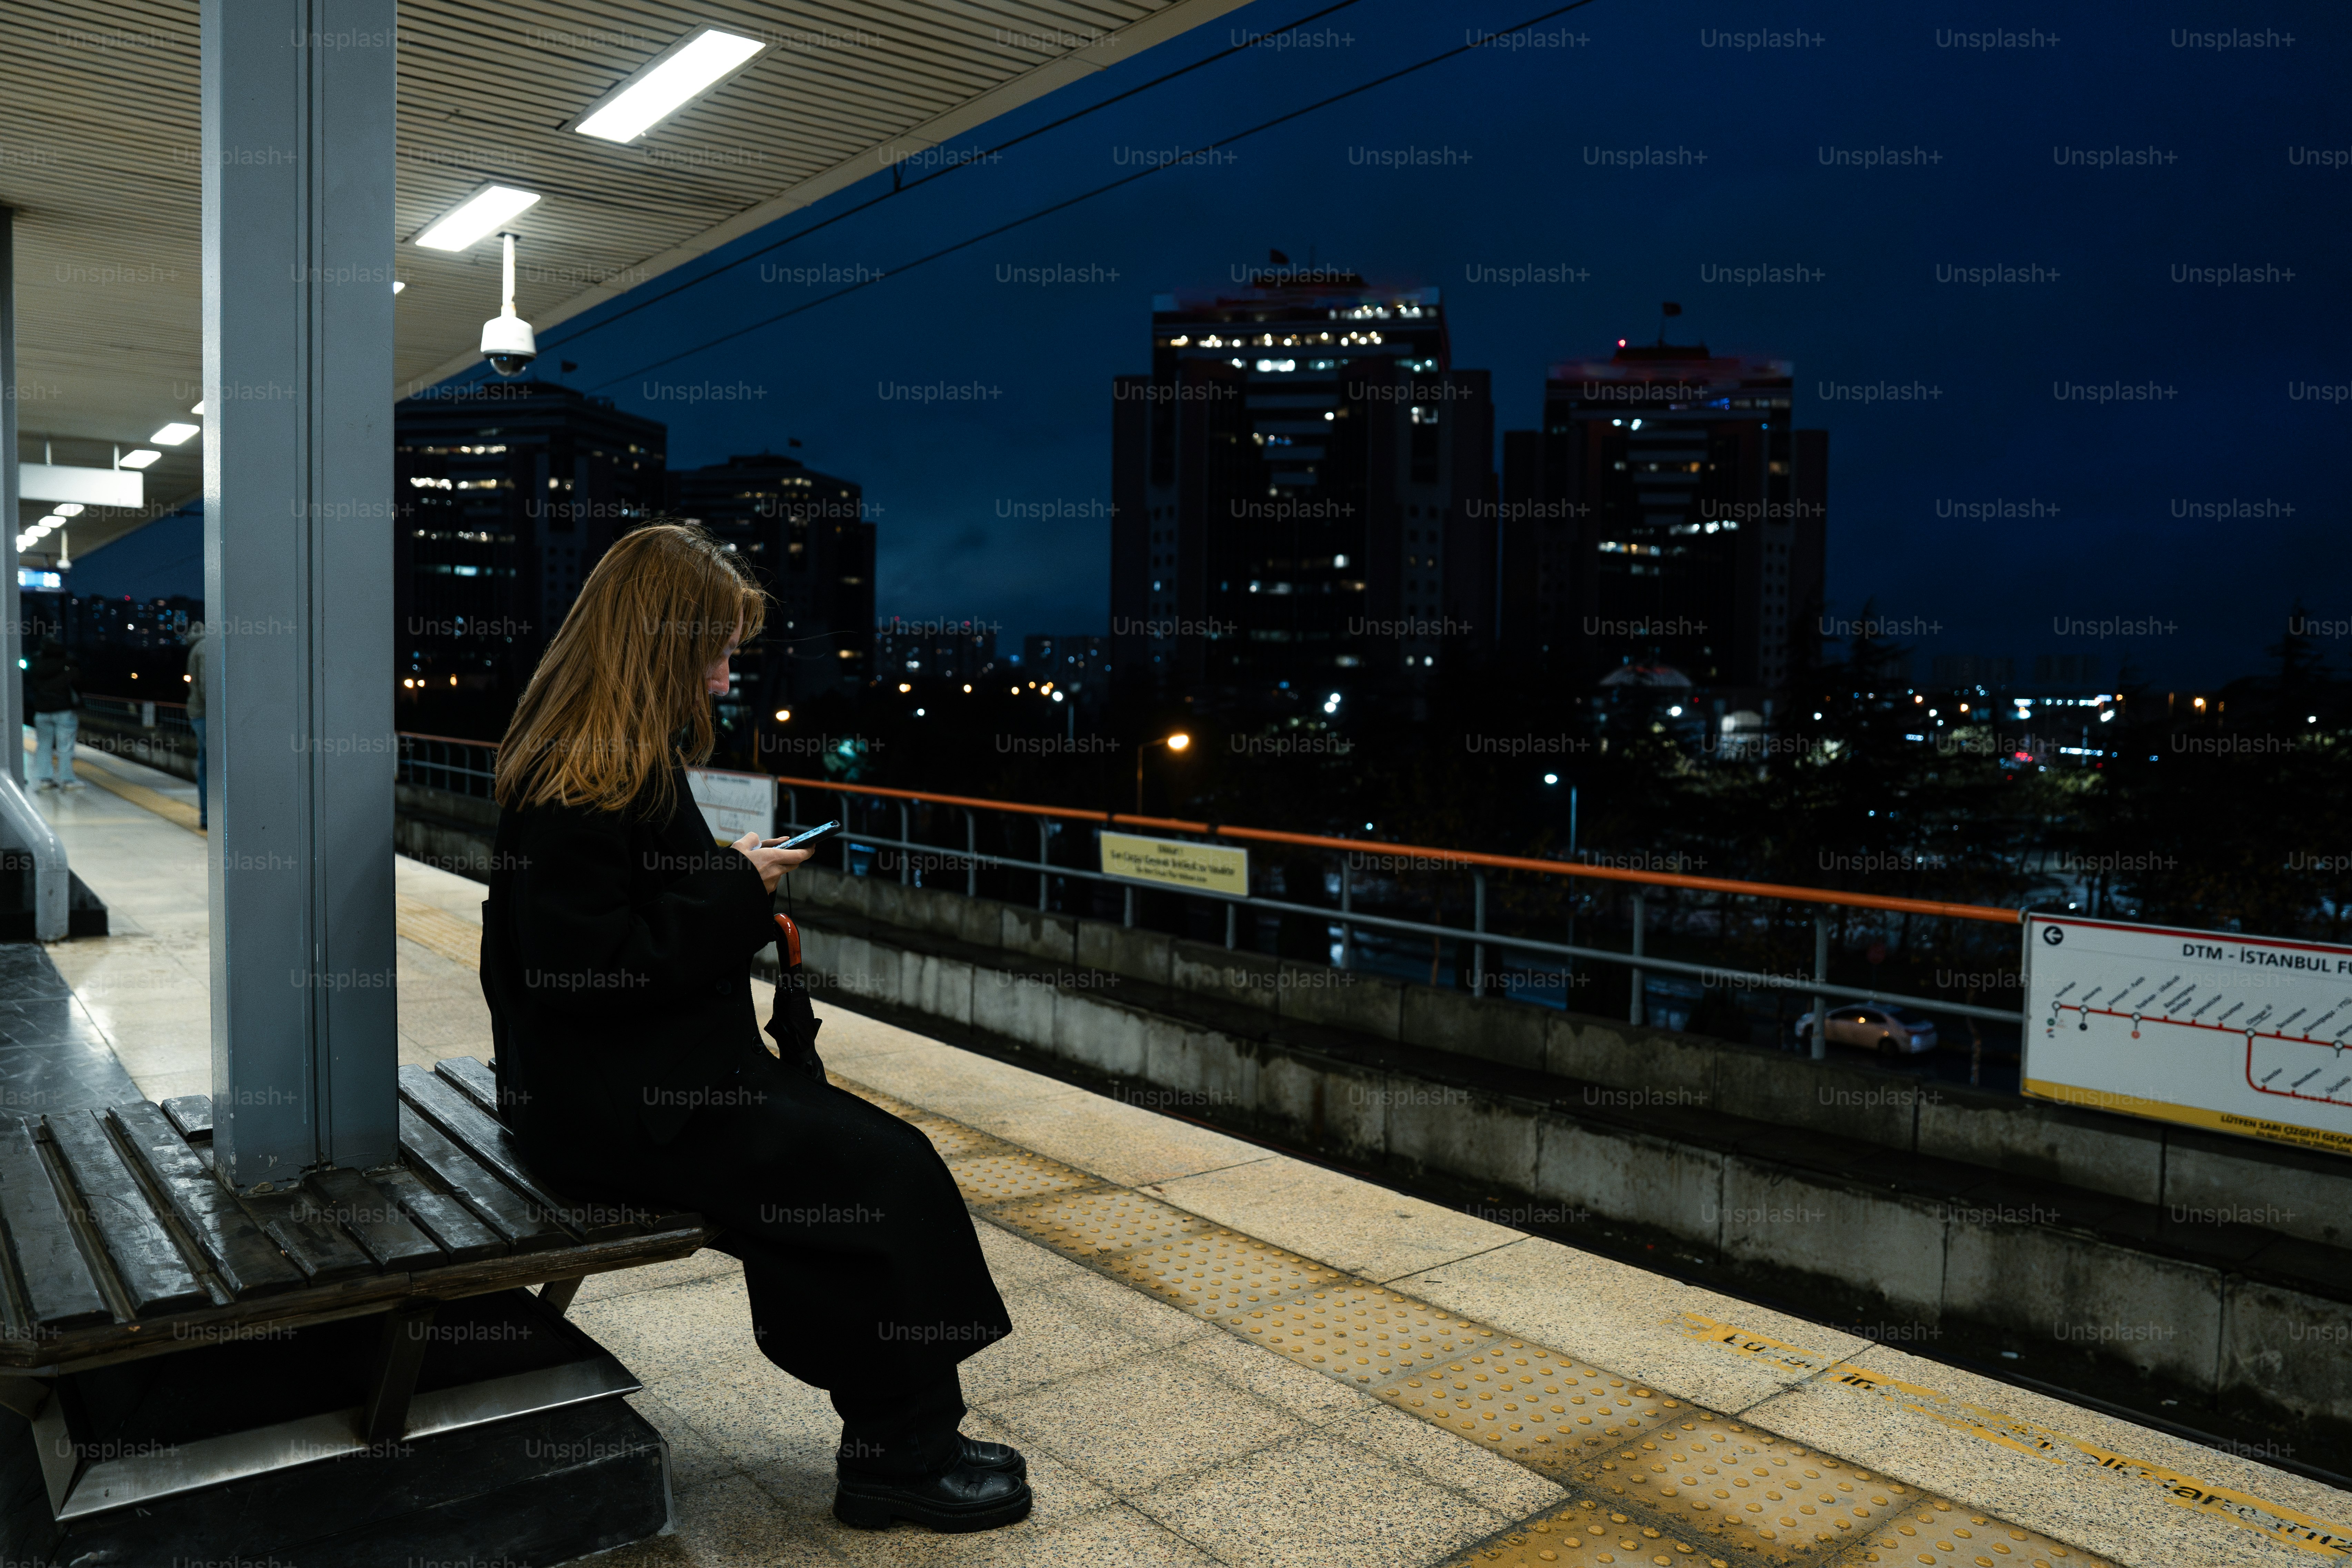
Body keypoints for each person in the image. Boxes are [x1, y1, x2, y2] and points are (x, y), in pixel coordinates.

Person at [478, 522, 1028, 1534]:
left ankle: (903, 1442)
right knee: (884, 1174)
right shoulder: (585, 775)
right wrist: (735, 887)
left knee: (848, 1185)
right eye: (717, 651)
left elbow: (609, 925)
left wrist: (717, 872)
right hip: (624, 1106)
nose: (728, 675)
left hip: (627, 1083)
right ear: (660, 649)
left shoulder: (590, 759)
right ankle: (902, 1457)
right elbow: (588, 972)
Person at [26, 637, 81, 791]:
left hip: (42, 711)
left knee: (44, 746)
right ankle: (68, 781)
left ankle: (45, 780)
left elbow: (29, 684)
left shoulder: (36, 661)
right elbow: (78, 682)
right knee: (65, 746)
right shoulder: (68, 660)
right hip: (64, 709)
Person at [183, 621, 208, 829]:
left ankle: (207, 817)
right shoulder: (206, 648)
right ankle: (211, 817)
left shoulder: (196, 648)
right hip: (207, 715)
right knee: (217, 766)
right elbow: (206, 686)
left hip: (198, 714)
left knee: (207, 765)